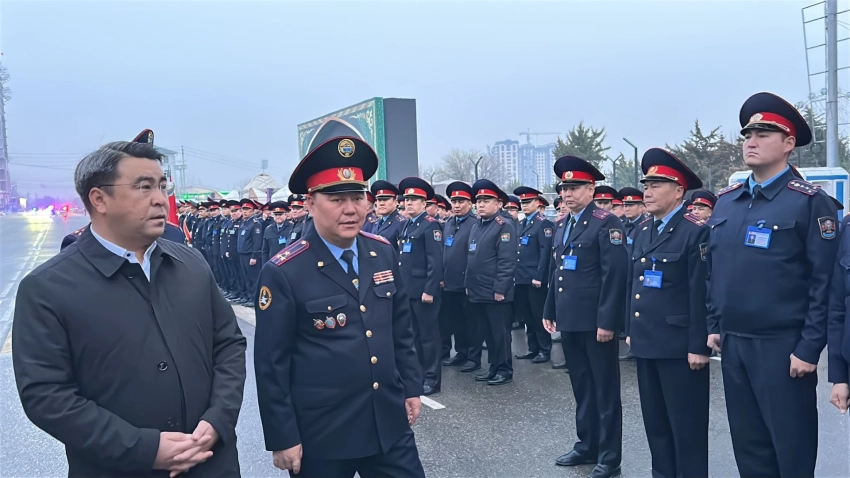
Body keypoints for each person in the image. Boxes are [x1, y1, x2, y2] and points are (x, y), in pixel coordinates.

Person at [13, 138, 247, 477]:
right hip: (118, 468)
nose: (160, 199)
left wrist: (218, 419)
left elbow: (228, 345)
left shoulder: (191, 264)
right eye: (144, 186)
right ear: (99, 199)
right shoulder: (48, 288)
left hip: (211, 462)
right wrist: (144, 448)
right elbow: (47, 396)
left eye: (162, 186)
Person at [253, 136, 425, 478]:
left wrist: (411, 387)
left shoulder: (381, 252)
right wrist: (282, 436)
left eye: (358, 198)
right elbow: (271, 364)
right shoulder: (285, 271)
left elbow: (400, 328)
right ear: (311, 204)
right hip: (323, 435)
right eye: (336, 199)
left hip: (387, 422)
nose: (351, 209)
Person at [706, 91, 838, 477]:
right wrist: (715, 324)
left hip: (783, 348)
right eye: (748, 133)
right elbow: (716, 268)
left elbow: (823, 282)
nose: (751, 140)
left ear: (788, 143)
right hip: (735, 343)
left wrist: (810, 348)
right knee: (750, 448)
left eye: (764, 133)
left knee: (790, 449)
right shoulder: (726, 201)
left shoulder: (809, 202)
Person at [626, 148, 711, 478]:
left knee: (686, 429)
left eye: (656, 184)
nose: (647, 191)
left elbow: (701, 291)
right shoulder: (644, 229)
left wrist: (699, 345)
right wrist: (629, 329)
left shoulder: (695, 230)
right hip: (648, 343)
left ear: (679, 191)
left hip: (679, 348)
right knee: (656, 426)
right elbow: (634, 285)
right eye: (646, 184)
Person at [543, 156, 626, 478]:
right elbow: (557, 272)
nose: (567, 193)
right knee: (582, 386)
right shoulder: (563, 223)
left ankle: (609, 456)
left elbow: (614, 275)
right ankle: (586, 444)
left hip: (595, 322)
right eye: (564, 188)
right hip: (571, 318)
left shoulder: (606, 222)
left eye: (575, 187)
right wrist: (550, 310)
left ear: (591, 188)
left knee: (604, 390)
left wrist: (607, 322)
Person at [466, 179, 517, 385]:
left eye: (486, 200)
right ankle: (493, 366)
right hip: (478, 290)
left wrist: (500, 289)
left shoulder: (504, 227)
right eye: (478, 201)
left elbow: (507, 262)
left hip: (496, 292)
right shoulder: (477, 226)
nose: (481, 204)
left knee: (500, 334)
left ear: (498, 204)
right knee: (487, 332)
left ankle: (504, 369)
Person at [439, 181, 481, 372]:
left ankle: (474, 357)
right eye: (454, 201)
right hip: (450, 282)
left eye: (461, 201)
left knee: (471, 322)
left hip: (467, 283)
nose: (456, 205)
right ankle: (461, 352)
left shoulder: (475, 224)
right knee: (456, 322)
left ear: (470, 203)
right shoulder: (449, 224)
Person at [512, 185, 554, 364]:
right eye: (522, 202)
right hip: (521, 277)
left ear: (537, 203)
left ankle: (545, 349)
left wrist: (540, 276)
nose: (524, 205)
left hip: (535, 278)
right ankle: (533, 348)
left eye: (528, 202)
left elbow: (545, 252)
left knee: (538, 315)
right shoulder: (522, 223)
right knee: (527, 315)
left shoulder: (543, 223)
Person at [368, 180, 407, 248]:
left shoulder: (402, 223)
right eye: (379, 200)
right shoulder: (376, 223)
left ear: (395, 202)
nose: (381, 203)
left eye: (385, 199)